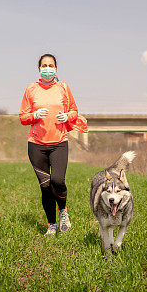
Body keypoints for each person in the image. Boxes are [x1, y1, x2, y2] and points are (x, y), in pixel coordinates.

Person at [19, 53, 87, 235]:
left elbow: (74, 110)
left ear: (56, 69)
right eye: (44, 65)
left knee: (57, 181)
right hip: (36, 145)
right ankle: (51, 225)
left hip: (59, 143)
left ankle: (63, 211)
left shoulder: (63, 88)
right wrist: (34, 115)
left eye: (51, 65)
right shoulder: (31, 90)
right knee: (45, 187)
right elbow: (22, 117)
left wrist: (67, 116)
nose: (47, 68)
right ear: (39, 69)